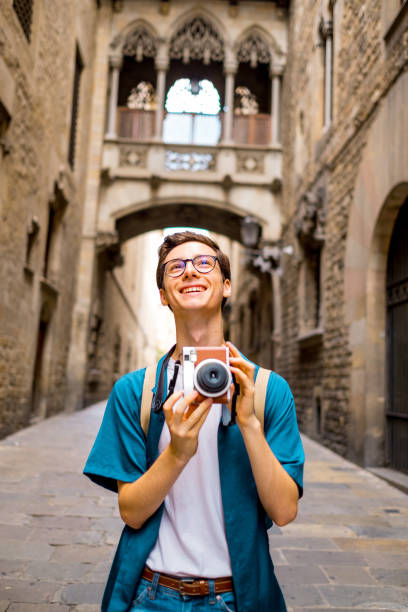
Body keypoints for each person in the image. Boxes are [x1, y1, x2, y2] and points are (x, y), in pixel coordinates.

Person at [84, 231, 304, 612]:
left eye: (205, 263)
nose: (190, 272)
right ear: (164, 295)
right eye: (175, 268)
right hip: (150, 594)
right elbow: (132, 512)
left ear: (227, 286)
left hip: (237, 597)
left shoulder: (269, 390)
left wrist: (249, 423)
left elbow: (284, 511)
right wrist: (177, 453)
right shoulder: (135, 392)